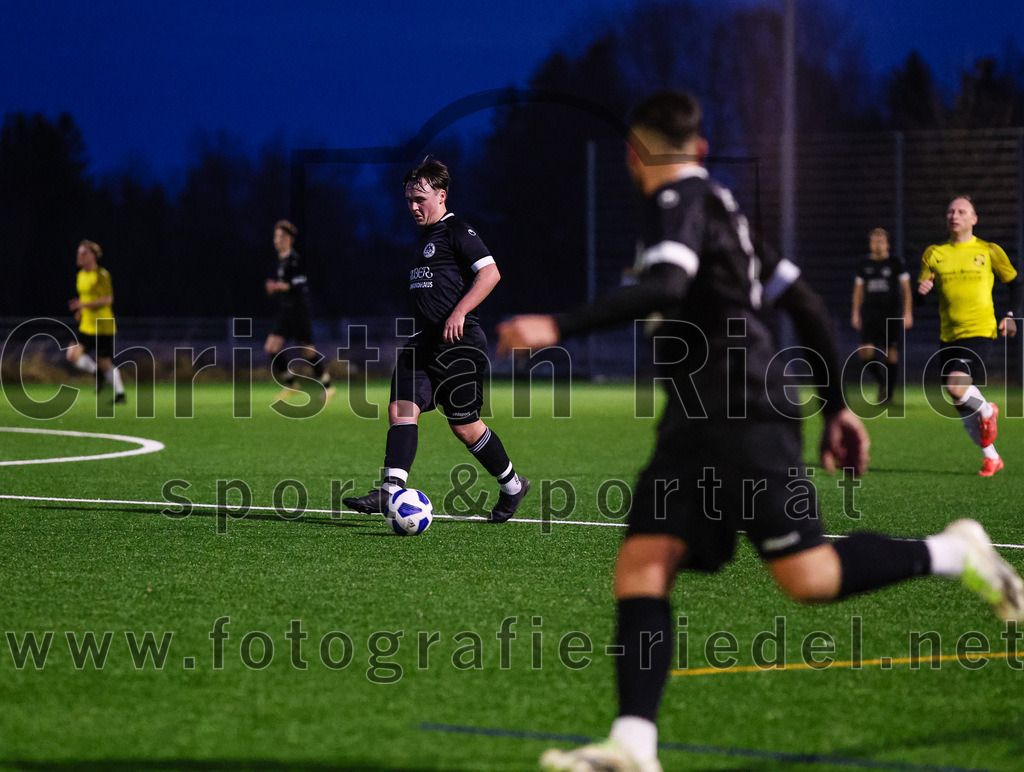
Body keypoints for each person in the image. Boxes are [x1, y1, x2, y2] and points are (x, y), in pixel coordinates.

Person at [496, 91, 1024, 772]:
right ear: (702, 148)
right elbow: (803, 302)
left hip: (740, 407)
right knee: (646, 564)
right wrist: (836, 405)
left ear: (635, 154)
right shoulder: (725, 210)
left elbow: (663, 285)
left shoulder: (676, 203)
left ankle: (959, 552)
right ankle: (632, 745)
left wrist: (558, 326)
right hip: (698, 416)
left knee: (806, 575)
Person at [344, 158, 529, 523]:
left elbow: (491, 274)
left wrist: (459, 312)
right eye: (409, 199)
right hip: (421, 342)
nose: (414, 206)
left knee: (464, 425)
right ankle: (390, 490)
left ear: (441, 196)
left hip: (458, 343)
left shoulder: (456, 230)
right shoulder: (423, 240)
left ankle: (512, 486)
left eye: (421, 199)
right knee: (400, 410)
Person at [918, 196, 1021, 477]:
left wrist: (1011, 315)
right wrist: (921, 292)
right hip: (948, 335)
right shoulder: (934, 253)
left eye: (962, 211)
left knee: (956, 388)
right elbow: (920, 298)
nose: (955, 215)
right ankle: (992, 458)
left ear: (974, 218)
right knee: (961, 403)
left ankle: (988, 410)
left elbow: (1016, 284)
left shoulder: (989, 251)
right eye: (951, 211)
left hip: (979, 330)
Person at [264, 219, 335, 402]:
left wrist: (278, 287)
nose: (276, 240)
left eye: (280, 237)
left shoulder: (295, 260)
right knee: (271, 347)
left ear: (289, 239)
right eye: (275, 236)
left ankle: (327, 386)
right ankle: (291, 384)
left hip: (298, 311)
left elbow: (299, 284)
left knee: (308, 352)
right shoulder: (281, 261)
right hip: (285, 311)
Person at [850, 227, 912, 403]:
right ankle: (882, 382)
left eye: (881, 241)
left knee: (890, 353)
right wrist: (855, 313)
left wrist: (908, 312)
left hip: (891, 314)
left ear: (887, 244)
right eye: (874, 241)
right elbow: (858, 291)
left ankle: (888, 395)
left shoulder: (896, 262)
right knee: (865, 352)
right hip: (870, 314)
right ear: (870, 244)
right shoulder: (864, 264)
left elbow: (906, 290)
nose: (877, 244)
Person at [66, 239, 126, 403]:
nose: (80, 256)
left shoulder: (102, 275)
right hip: (87, 325)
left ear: (93, 256)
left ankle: (120, 394)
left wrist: (83, 305)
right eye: (79, 253)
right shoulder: (80, 275)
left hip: (103, 324)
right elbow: (86, 299)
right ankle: (97, 373)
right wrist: (81, 311)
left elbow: (108, 299)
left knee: (105, 363)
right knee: (72, 354)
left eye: (84, 253)